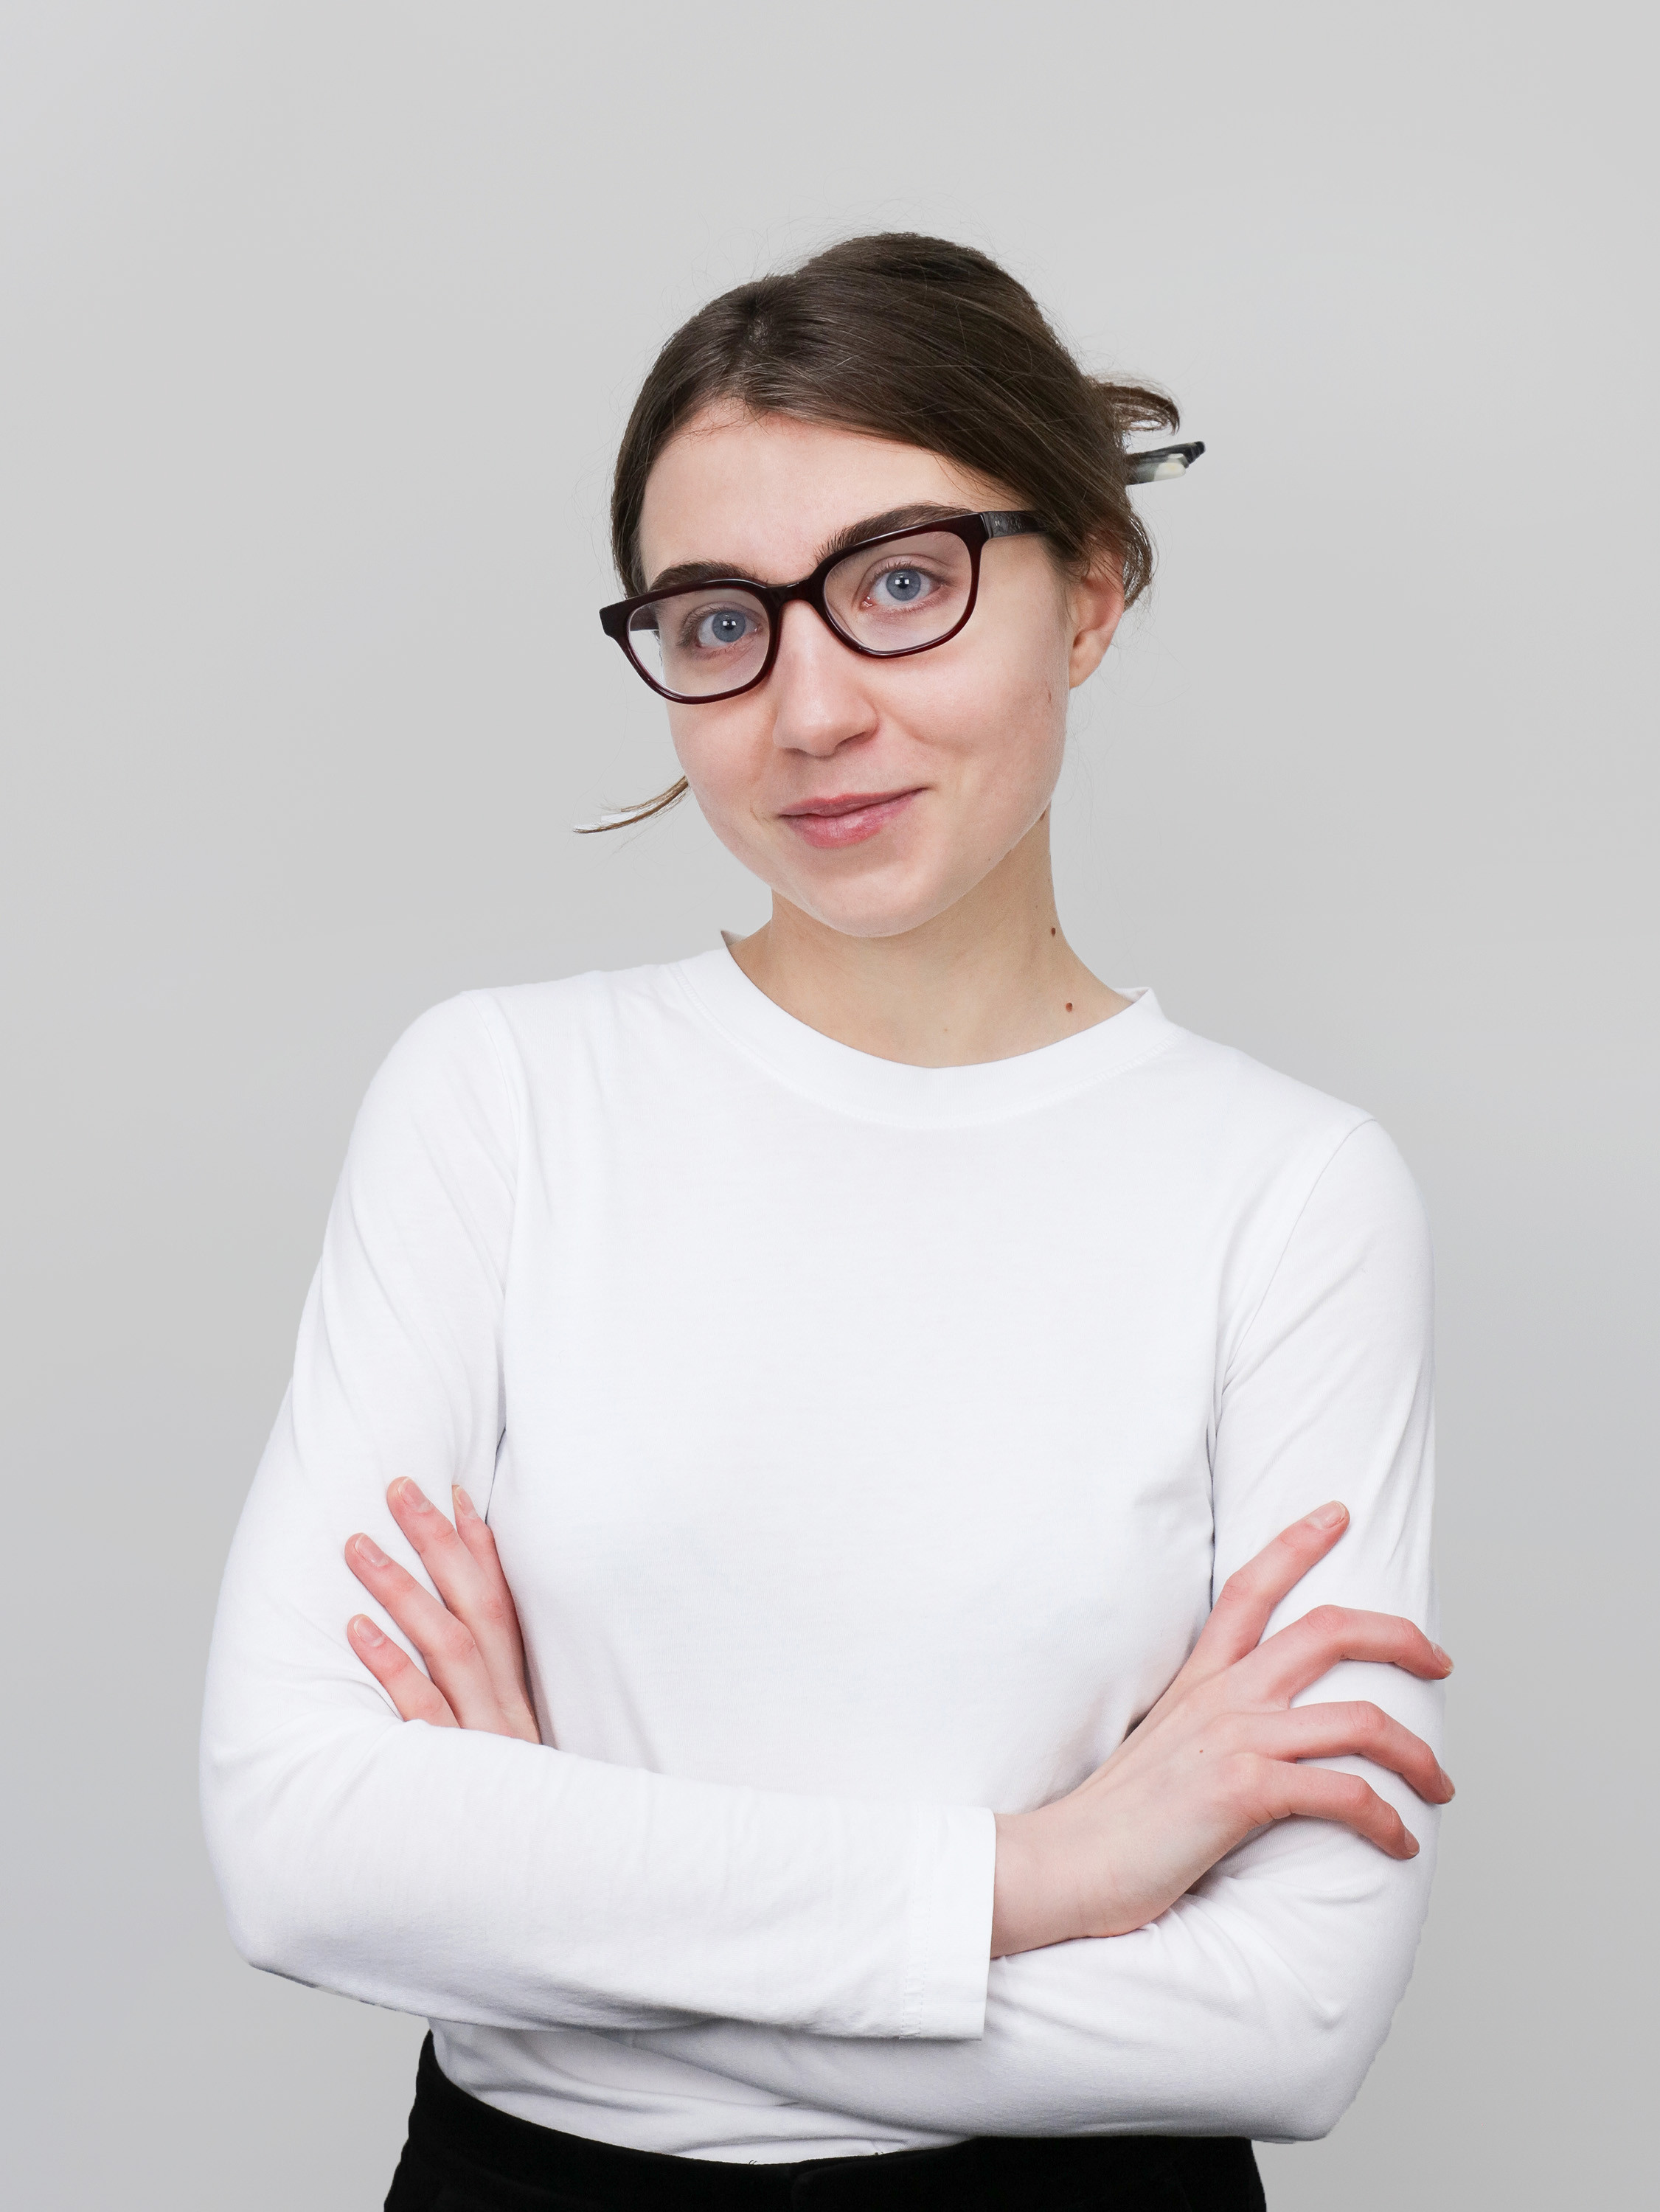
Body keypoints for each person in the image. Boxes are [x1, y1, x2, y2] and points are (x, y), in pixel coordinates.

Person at [201, 234, 1451, 2212]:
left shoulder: (1286, 1192)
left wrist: (551, 1935)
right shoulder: (502, 1099)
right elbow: (300, 1848)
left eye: (899, 586)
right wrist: (1031, 1878)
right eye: (720, 620)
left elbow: (1283, 2022)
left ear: (1089, 594)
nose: (807, 711)